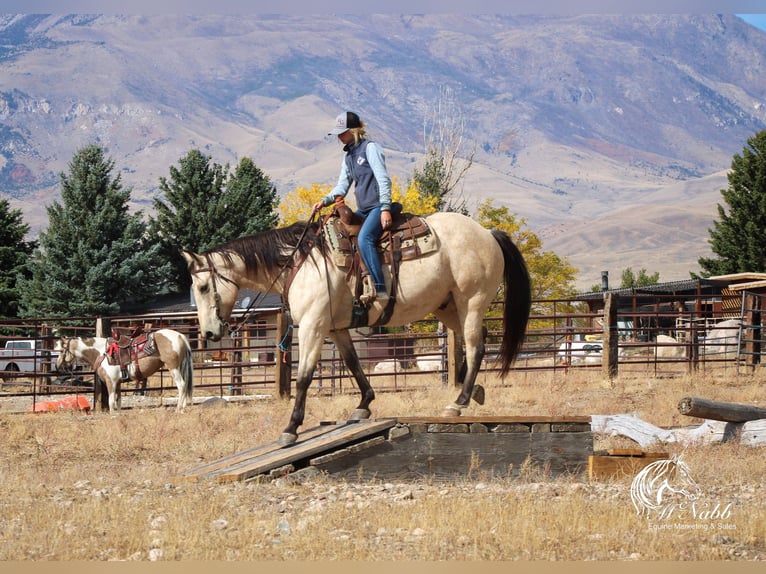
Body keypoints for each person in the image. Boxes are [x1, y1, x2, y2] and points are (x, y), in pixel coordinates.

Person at [313, 111, 402, 306]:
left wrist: (385, 207)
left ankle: (380, 289)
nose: (339, 137)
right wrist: (325, 200)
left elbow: (383, 179)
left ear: (354, 131)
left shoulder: (370, 148)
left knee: (365, 238)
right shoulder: (349, 157)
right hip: (364, 209)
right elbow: (342, 186)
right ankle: (359, 283)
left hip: (378, 206)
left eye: (342, 132)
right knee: (342, 234)